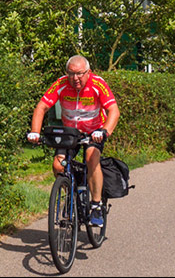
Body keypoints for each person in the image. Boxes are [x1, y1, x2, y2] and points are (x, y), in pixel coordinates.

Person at [27, 55, 120, 226]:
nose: (74, 78)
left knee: (91, 156)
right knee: (57, 165)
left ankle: (96, 205)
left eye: (79, 74)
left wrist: (105, 131)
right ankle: (71, 195)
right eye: (70, 73)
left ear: (88, 72)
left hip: (94, 132)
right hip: (70, 132)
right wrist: (35, 131)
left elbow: (113, 110)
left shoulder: (98, 84)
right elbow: (42, 107)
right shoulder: (61, 84)